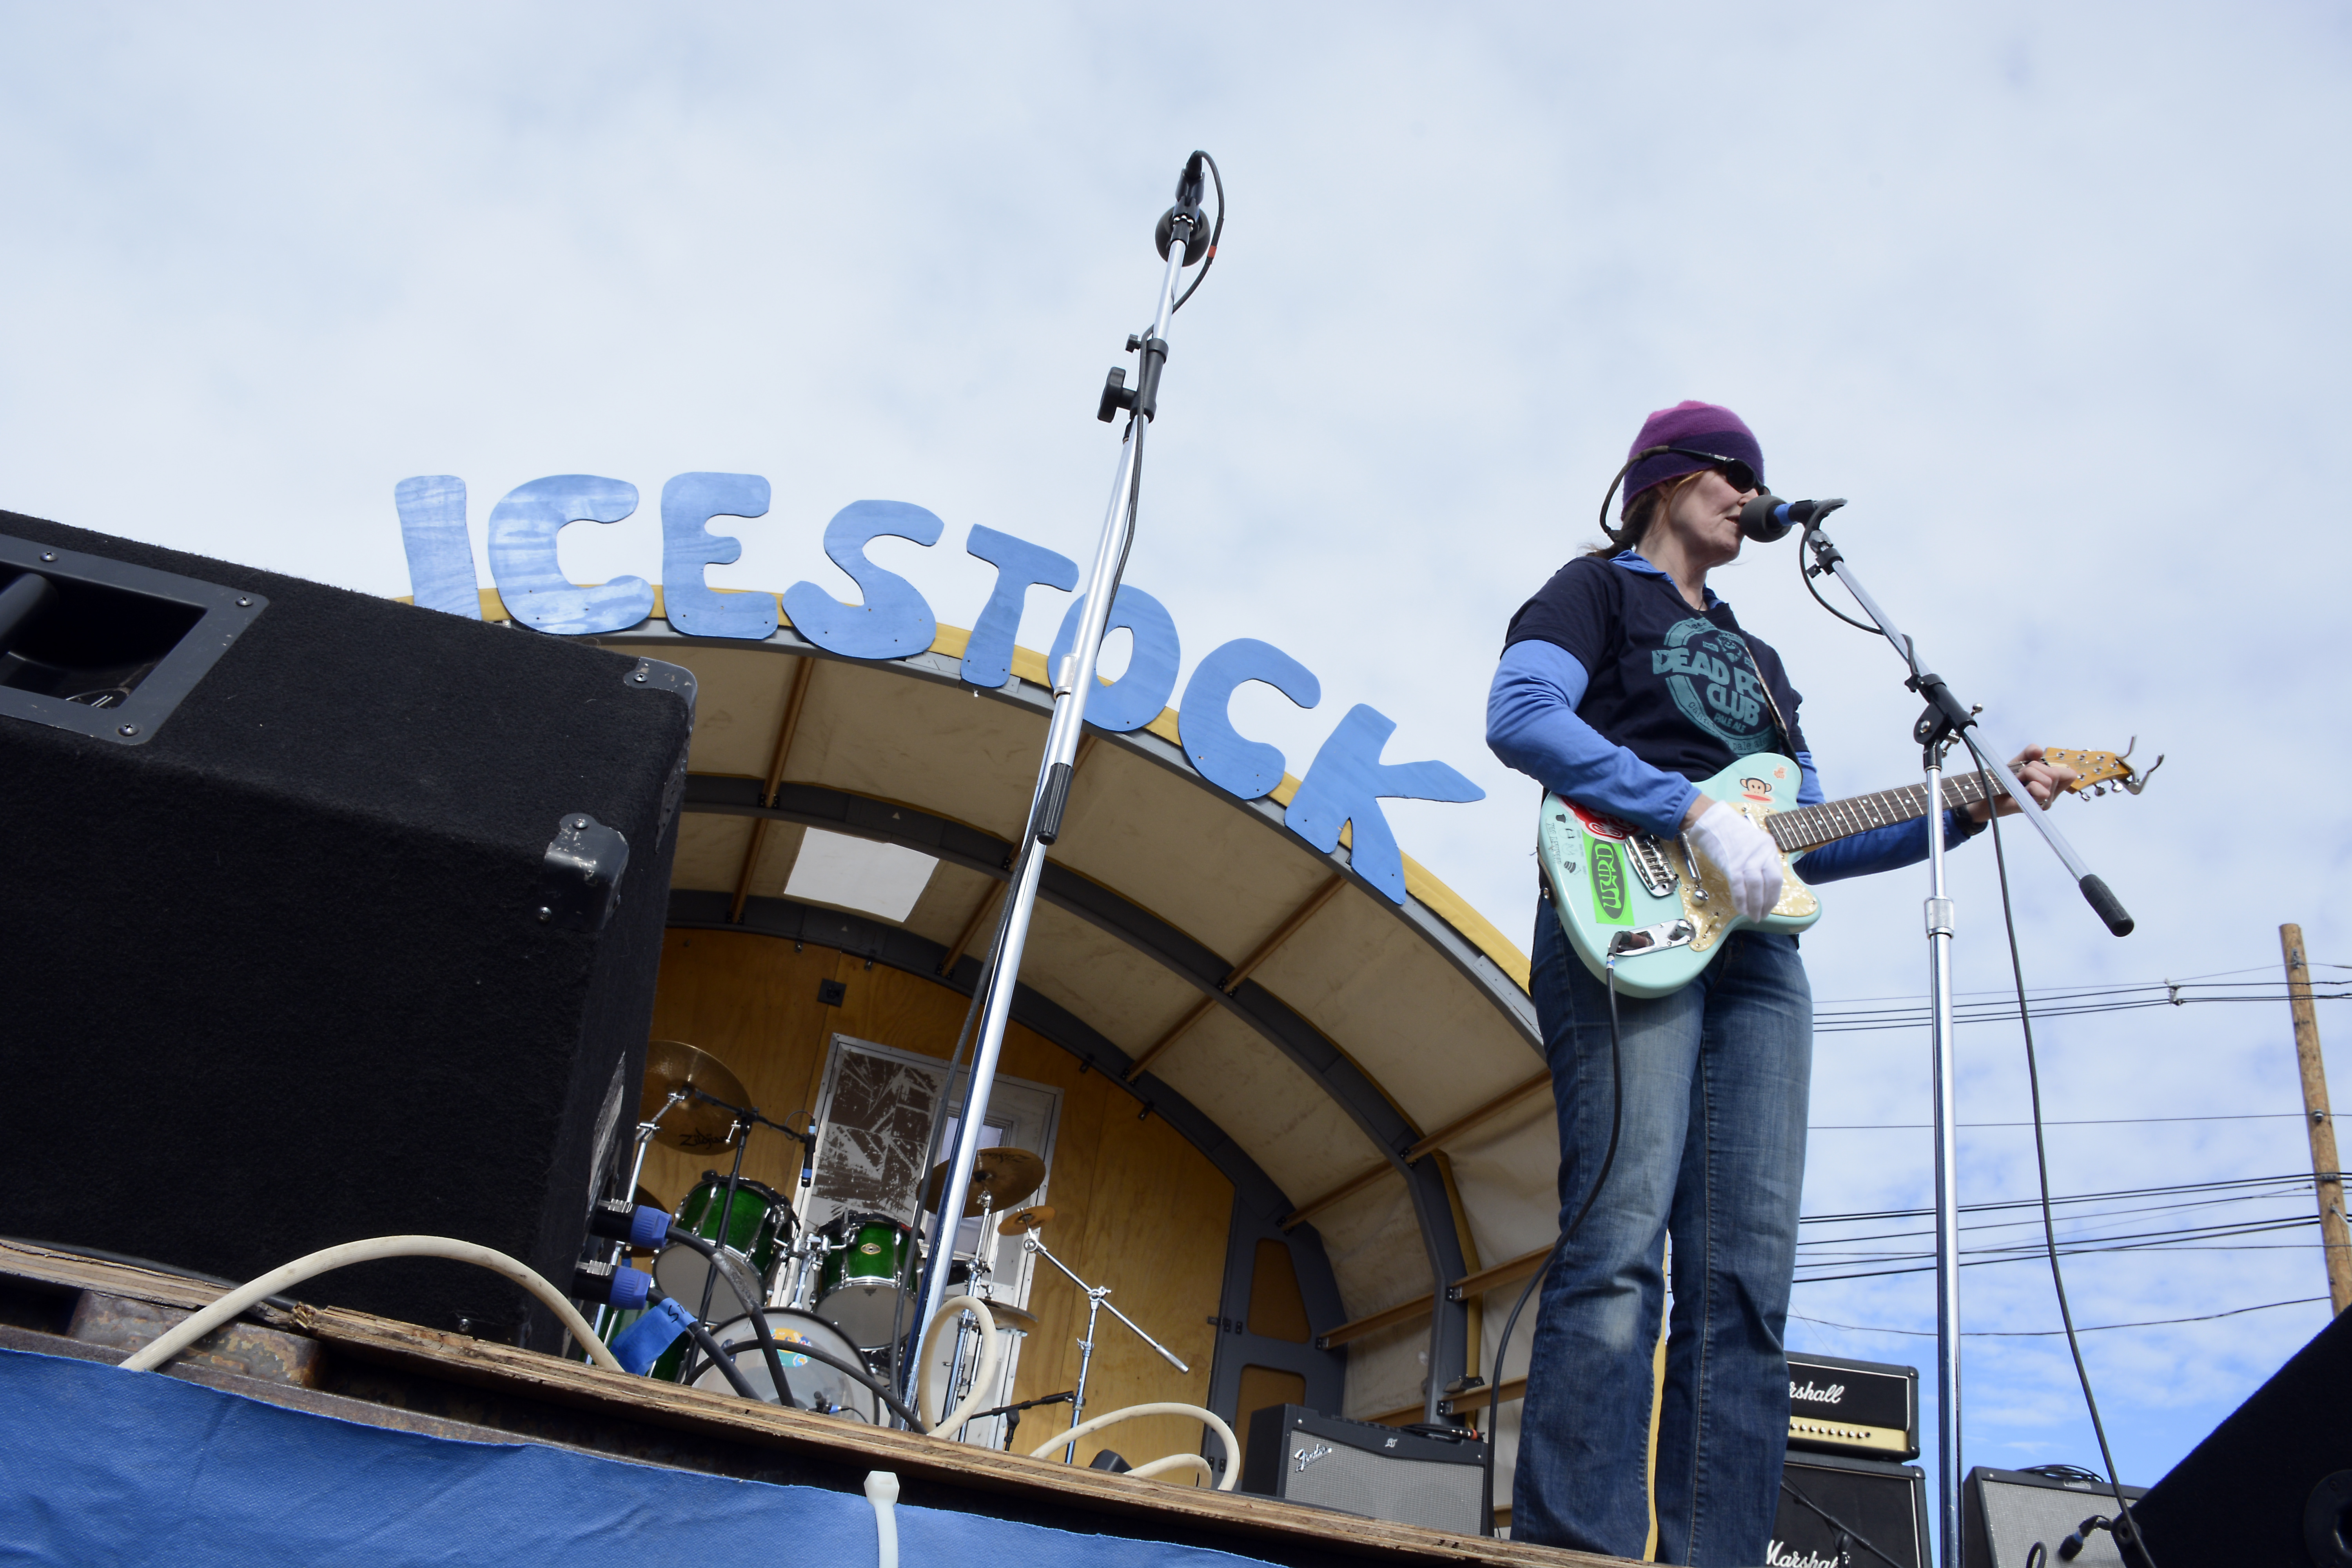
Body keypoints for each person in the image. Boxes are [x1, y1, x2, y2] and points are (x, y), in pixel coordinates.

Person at [1485, 400, 2073, 1565]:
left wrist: (1974, 803)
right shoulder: (1592, 590)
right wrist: (1690, 809)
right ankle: (1578, 1553)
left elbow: (1811, 836)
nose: (1748, 490)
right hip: (1627, 922)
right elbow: (1521, 715)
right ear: (1661, 479)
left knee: (1746, 1289)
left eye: (1757, 477)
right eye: (1728, 470)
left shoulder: (1763, 658)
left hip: (1759, 962)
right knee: (1619, 1243)